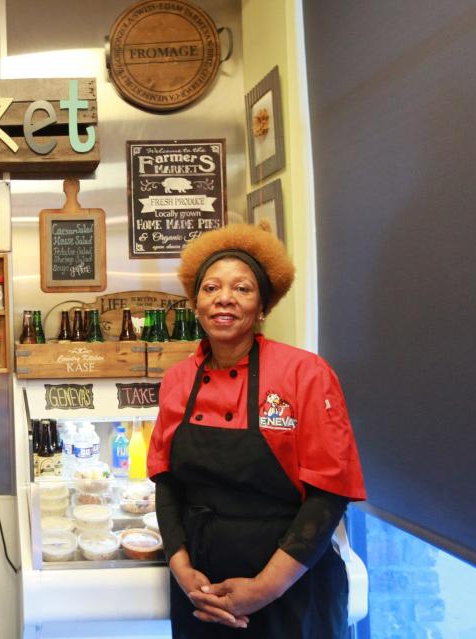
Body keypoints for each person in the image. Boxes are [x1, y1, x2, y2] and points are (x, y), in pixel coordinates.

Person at [147, 222, 366, 637]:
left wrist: (265, 588)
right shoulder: (178, 379)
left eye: (242, 288)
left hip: (293, 588)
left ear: (262, 306)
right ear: (196, 303)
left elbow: (329, 494)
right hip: (202, 590)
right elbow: (168, 484)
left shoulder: (305, 373)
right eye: (210, 288)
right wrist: (181, 568)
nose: (223, 298)